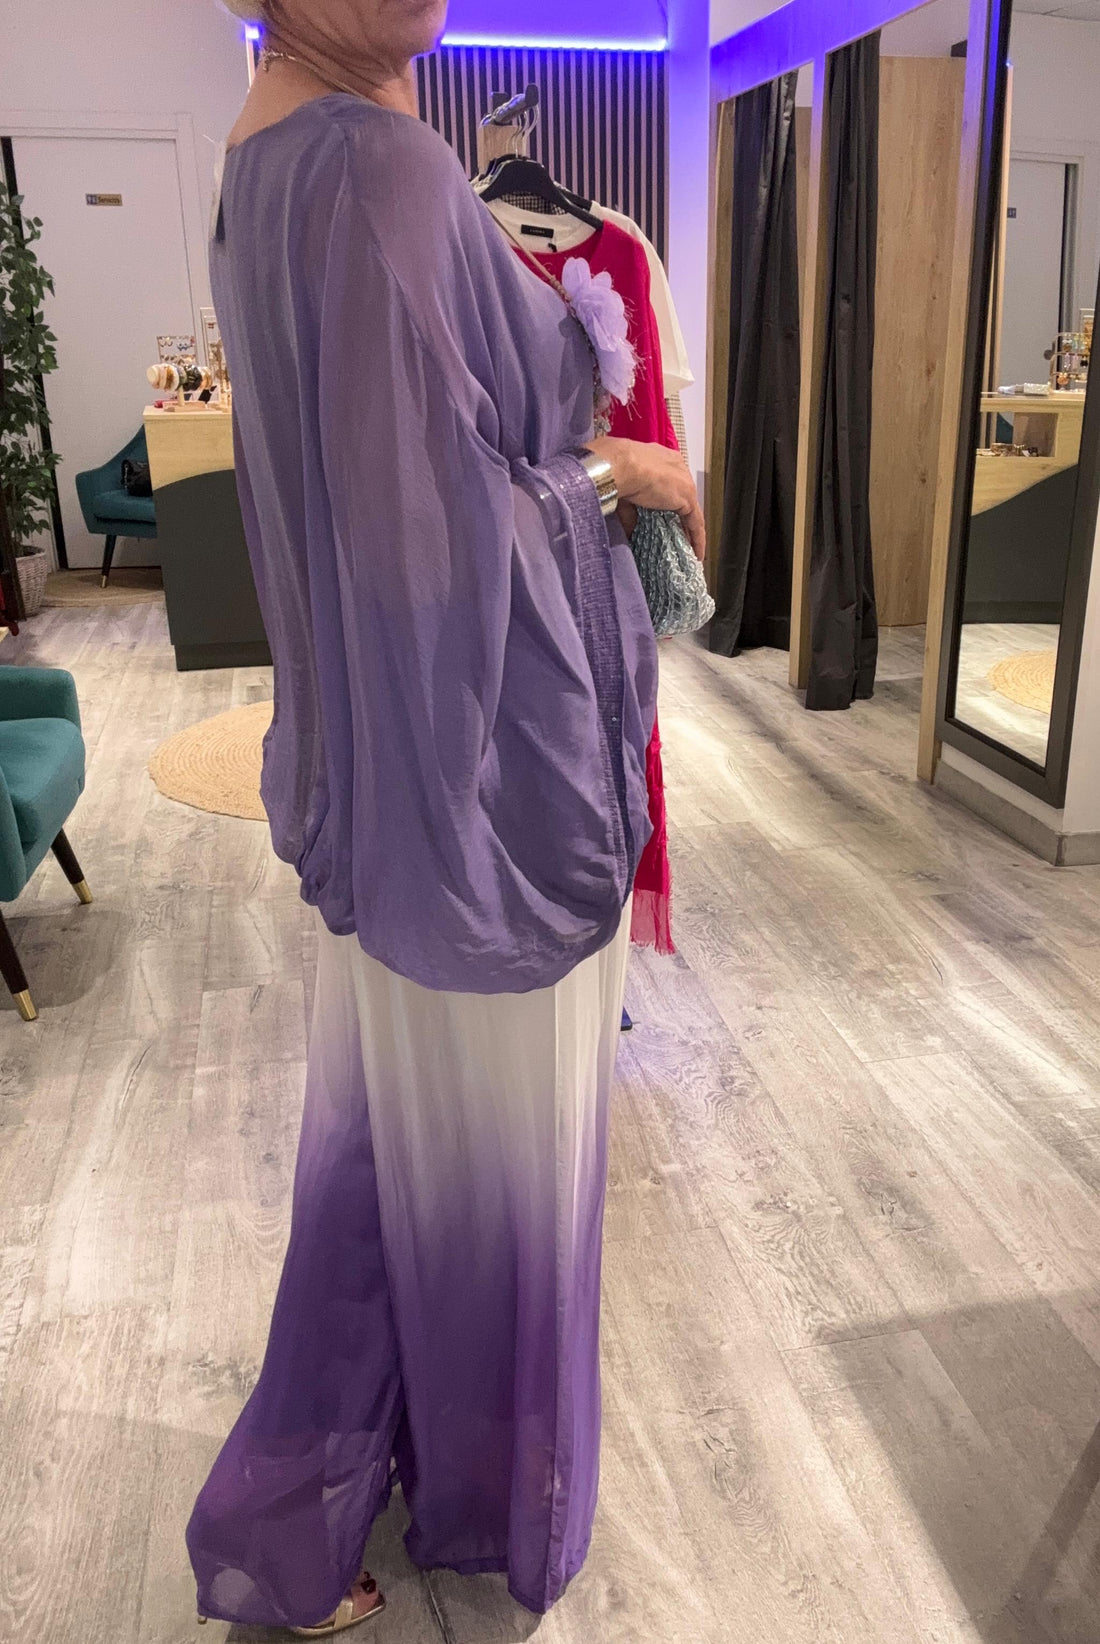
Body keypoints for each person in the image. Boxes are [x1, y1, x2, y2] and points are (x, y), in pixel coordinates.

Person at [188, 0, 705, 1634]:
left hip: (389, 772)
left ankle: (317, 1506)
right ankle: (475, 1503)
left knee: (386, 1157)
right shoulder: (379, 170)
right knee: (497, 1174)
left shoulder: (265, 153)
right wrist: (619, 476)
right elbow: (438, 545)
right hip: (480, 782)